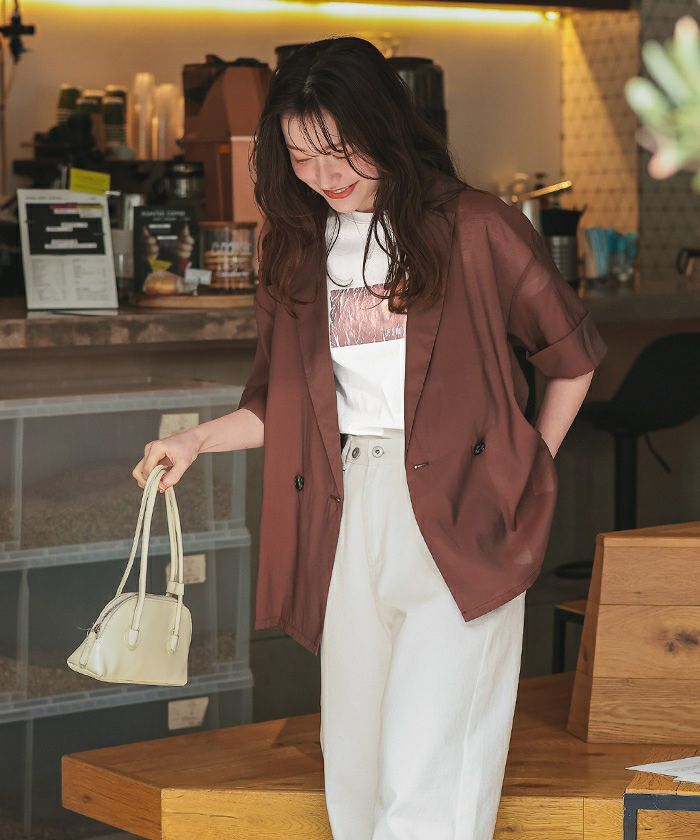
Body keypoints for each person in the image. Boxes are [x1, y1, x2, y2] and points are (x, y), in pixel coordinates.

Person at [132, 36, 607, 840]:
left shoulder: (476, 226)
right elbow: (283, 405)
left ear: (381, 125)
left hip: (462, 511)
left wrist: (527, 467)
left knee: (431, 775)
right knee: (352, 764)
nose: (325, 173)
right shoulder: (294, 249)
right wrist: (196, 441)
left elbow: (573, 358)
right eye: (302, 156)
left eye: (339, 148)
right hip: (348, 505)